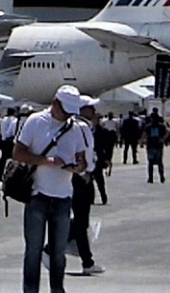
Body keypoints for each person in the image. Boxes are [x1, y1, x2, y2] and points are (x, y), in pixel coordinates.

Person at [15, 85, 89, 293]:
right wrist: (45, 161)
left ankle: (57, 289)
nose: (67, 116)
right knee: (33, 250)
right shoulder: (35, 121)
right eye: (65, 111)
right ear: (55, 103)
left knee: (58, 252)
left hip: (63, 197)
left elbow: (82, 160)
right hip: (37, 195)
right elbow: (18, 153)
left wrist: (78, 167)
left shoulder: (75, 128)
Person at [67, 97, 105, 276]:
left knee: (80, 221)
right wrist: (84, 173)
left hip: (79, 176)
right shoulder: (81, 127)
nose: (94, 111)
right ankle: (86, 261)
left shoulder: (77, 125)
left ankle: (86, 259)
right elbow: (83, 152)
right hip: (81, 178)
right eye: (90, 108)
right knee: (81, 221)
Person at [143, 109, 167, 183]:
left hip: (150, 145)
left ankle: (150, 178)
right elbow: (168, 131)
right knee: (160, 162)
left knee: (150, 162)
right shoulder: (161, 126)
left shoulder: (148, 126)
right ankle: (161, 177)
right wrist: (163, 139)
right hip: (159, 145)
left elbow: (145, 135)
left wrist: (143, 141)